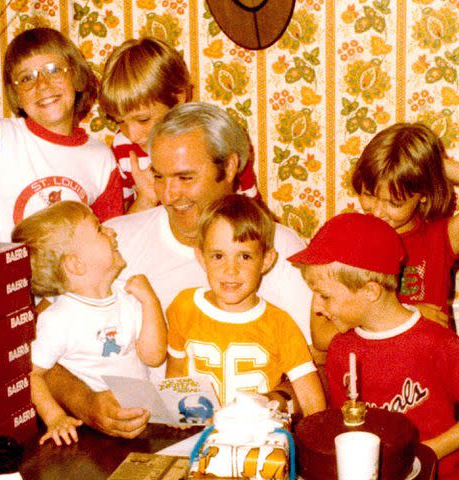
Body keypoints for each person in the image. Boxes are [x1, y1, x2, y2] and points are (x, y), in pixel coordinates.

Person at [44, 102, 314, 438]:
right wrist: (87, 403)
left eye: (186, 178)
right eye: (159, 176)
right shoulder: (114, 242)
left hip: (253, 442)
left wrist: (273, 401)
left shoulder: (282, 249)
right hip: (142, 439)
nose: (170, 195)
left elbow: (322, 367)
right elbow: (41, 347)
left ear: (229, 166)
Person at [289, 212, 459, 479]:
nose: (318, 308)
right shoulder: (341, 350)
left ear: (370, 291)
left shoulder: (437, 342)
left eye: (324, 296)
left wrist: (425, 452)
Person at [11, 201, 166, 446]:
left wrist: (150, 303)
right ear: (76, 264)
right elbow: (32, 374)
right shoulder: (58, 319)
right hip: (91, 433)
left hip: (141, 421)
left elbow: (154, 356)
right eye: (99, 229)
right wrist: (55, 418)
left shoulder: (127, 296)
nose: (112, 232)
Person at [166, 194, 326, 415]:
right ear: (201, 258)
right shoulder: (184, 306)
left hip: (259, 438)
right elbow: (175, 375)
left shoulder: (279, 324)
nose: (230, 270)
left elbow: (311, 399)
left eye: (244, 257)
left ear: (267, 261)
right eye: (218, 256)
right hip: (198, 437)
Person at [311, 122, 459, 354]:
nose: (378, 212)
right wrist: (408, 315)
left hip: (431, 372)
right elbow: (320, 337)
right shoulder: (342, 239)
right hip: (372, 374)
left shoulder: (441, 237)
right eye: (369, 195)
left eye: (394, 203)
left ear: (424, 195)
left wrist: (435, 166)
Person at [0, 27, 124, 242]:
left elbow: (109, 242)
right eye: (27, 78)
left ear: (75, 77)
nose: (42, 85)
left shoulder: (101, 158)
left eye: (54, 70)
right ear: (16, 95)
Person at [98, 36, 258, 212]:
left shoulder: (219, 140)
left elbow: (253, 219)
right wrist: (146, 198)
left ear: (178, 98)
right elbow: (126, 229)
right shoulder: (124, 148)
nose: (132, 134)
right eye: (120, 121)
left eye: (143, 119)